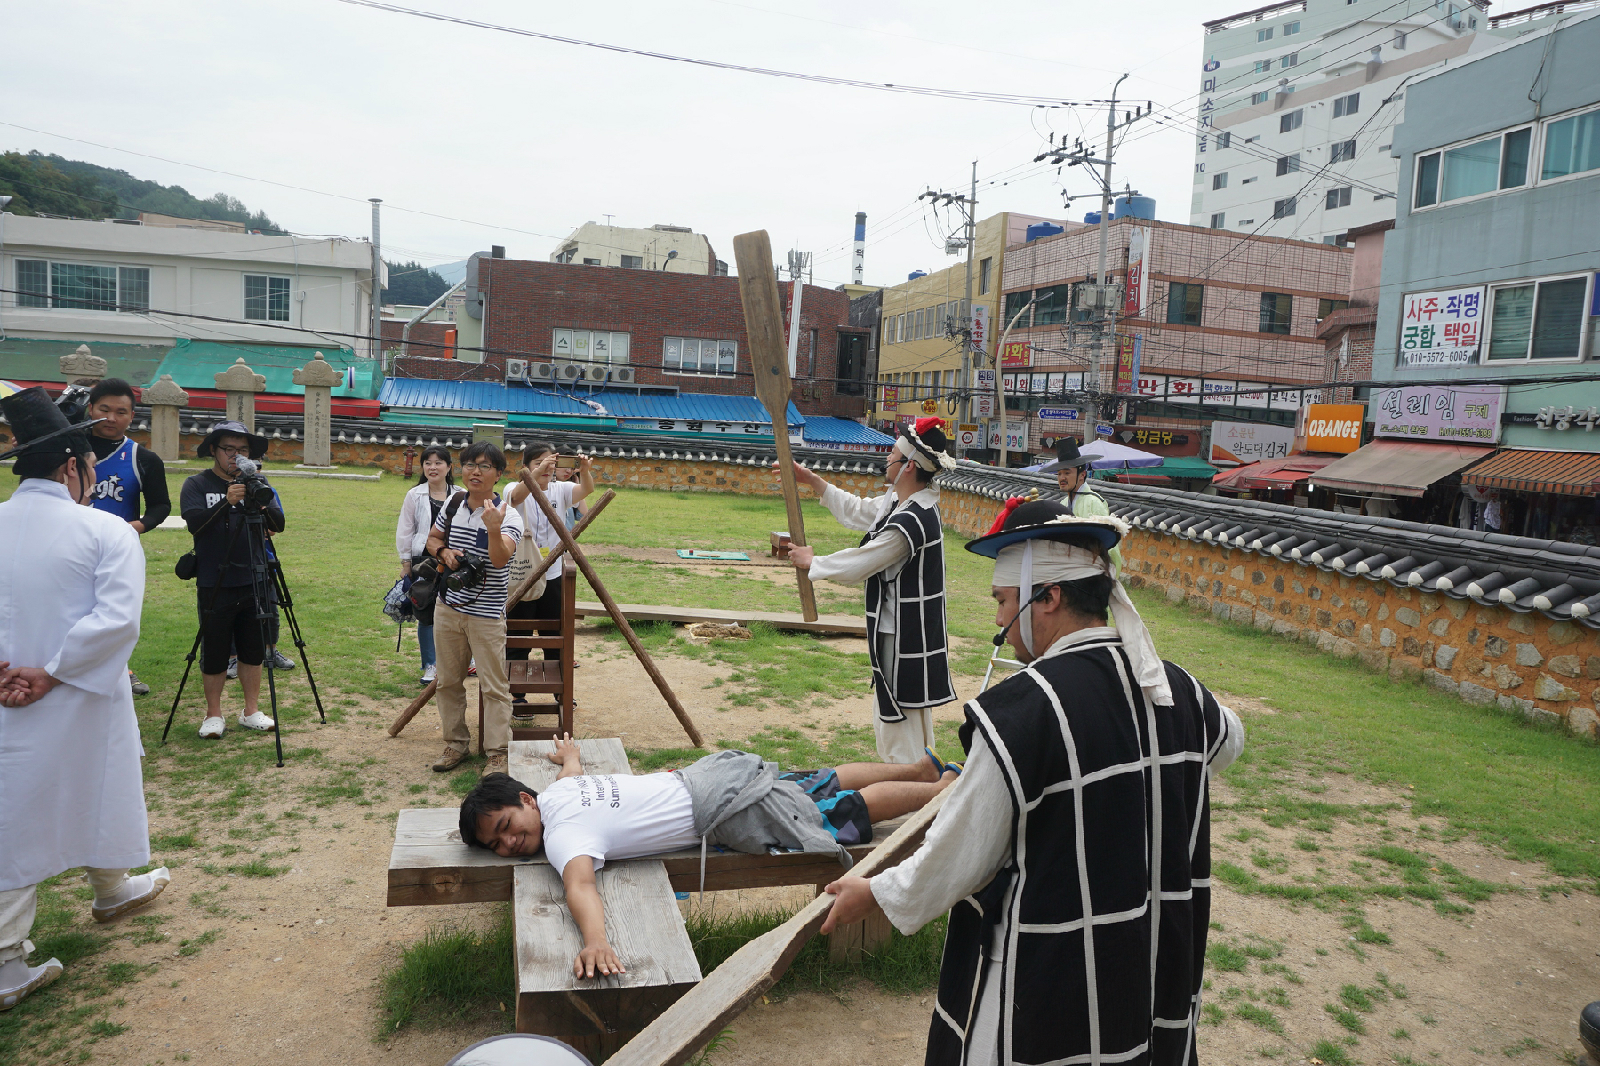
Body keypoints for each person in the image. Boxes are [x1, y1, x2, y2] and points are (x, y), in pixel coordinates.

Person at [820, 500, 1245, 1066]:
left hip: (1046, 967)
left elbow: (962, 848)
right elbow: (1228, 740)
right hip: (1144, 953)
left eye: (1002, 601)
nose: (998, 621)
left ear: (1048, 596)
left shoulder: (1026, 711)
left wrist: (875, 891)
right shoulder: (1178, 689)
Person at [457, 734, 960, 978]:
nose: (508, 845)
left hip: (722, 808)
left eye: (505, 829)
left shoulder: (563, 836)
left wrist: (595, 941)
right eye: (495, 845)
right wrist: (569, 755)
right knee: (815, 781)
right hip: (709, 774)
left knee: (832, 814)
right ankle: (917, 770)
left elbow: (580, 886)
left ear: (525, 801)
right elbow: (571, 770)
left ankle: (943, 792)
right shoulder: (557, 795)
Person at [0, 387, 170, 1011]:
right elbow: (117, 623)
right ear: (73, 466)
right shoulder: (104, 530)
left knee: (14, 802)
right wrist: (50, 672)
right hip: (77, 691)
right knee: (61, 797)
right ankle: (4, 960)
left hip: (7, 697)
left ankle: (113, 884)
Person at [785, 417, 957, 764]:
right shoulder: (904, 502)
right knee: (908, 718)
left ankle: (910, 795)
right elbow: (858, 510)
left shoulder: (913, 518)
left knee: (898, 722)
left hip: (905, 633)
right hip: (904, 628)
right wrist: (813, 481)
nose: (887, 461)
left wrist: (813, 562)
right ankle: (923, 783)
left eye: (892, 455)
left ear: (909, 466)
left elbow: (863, 562)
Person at [424, 441, 525, 777]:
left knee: (494, 686)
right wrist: (444, 554)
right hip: (448, 607)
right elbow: (433, 538)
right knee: (448, 681)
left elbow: (499, 558)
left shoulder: (509, 515)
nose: (475, 472)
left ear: (498, 474)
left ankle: (497, 754)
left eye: (484, 466)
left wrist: (493, 527)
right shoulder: (453, 503)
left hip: (486, 615)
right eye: (469, 465)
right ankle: (455, 744)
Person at [179, 421, 285, 739]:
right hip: (214, 579)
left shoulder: (257, 483)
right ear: (214, 450)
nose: (235, 456)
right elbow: (195, 524)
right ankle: (214, 714)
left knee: (253, 651)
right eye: (229, 449)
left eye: (242, 451)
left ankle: (251, 710)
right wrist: (228, 501)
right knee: (214, 651)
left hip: (253, 577)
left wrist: (256, 498)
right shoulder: (196, 484)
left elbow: (278, 523)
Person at [84, 378, 171, 697]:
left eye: (121, 412)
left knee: (115, 612)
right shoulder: (67, 449)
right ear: (90, 409)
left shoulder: (143, 458)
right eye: (104, 409)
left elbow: (161, 505)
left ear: (132, 416)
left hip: (118, 549)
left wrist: (136, 526)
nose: (111, 417)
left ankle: (122, 669)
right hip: (71, 545)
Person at [505, 444, 594, 676]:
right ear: (525, 467)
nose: (546, 467)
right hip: (522, 573)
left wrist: (584, 470)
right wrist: (535, 474)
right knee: (517, 638)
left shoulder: (561, 489)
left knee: (555, 637)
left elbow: (586, 490)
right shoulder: (513, 487)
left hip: (553, 573)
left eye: (550, 463)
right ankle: (517, 695)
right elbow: (516, 497)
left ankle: (560, 692)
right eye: (539, 463)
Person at [396, 445, 454, 685]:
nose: (433, 467)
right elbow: (405, 529)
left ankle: (456, 663)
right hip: (423, 560)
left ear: (449, 467)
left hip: (453, 559)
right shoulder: (415, 495)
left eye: (439, 462)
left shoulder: (459, 494)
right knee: (427, 614)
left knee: (455, 613)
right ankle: (430, 665)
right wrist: (406, 562)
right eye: (428, 462)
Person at [1037, 436, 1121, 571]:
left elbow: (1108, 546)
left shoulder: (1094, 502)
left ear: (1082, 475)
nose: (1062, 478)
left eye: (1067, 473)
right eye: (1059, 474)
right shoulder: (1063, 503)